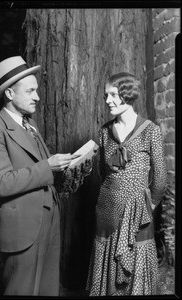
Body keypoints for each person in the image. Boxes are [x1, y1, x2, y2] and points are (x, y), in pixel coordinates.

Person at [0, 56, 87, 296]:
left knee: (48, 288)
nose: (37, 96)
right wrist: (49, 166)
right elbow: (2, 183)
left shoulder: (31, 125)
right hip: (22, 228)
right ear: (9, 94)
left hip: (49, 220)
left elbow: (42, 172)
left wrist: (69, 168)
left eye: (36, 90)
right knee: (22, 290)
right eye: (30, 91)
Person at [86, 72, 167, 296]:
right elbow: (103, 172)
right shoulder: (104, 131)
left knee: (135, 265)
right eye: (105, 96)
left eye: (113, 95)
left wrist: (149, 206)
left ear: (127, 94)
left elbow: (160, 178)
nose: (107, 101)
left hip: (137, 213)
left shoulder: (150, 130)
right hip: (107, 210)